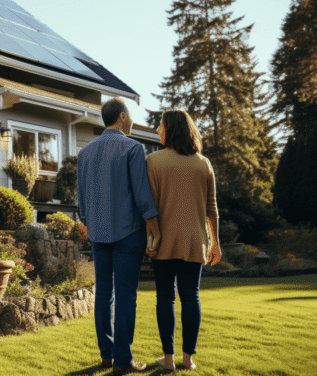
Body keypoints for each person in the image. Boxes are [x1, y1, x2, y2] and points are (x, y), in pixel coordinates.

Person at [77, 97, 161, 375]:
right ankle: (123, 361)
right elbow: (141, 192)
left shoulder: (85, 152)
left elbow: (81, 198)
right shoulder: (133, 147)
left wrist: (89, 223)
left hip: (98, 233)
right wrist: (154, 225)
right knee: (126, 295)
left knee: (103, 294)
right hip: (128, 233)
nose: (132, 120)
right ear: (123, 117)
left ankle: (107, 356)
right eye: (131, 116)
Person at [145, 110, 221, 371]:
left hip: (164, 240)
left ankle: (168, 360)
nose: (157, 130)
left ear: (171, 130)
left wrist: (151, 236)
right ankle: (188, 360)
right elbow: (212, 209)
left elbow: (149, 206)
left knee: (165, 297)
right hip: (195, 240)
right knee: (191, 296)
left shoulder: (153, 161)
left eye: (160, 126)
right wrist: (216, 243)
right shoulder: (204, 163)